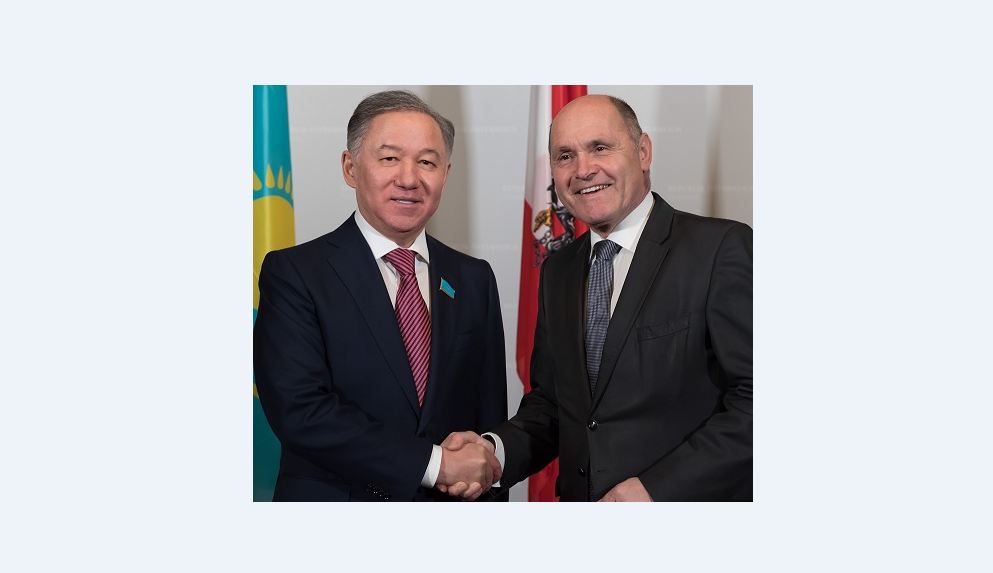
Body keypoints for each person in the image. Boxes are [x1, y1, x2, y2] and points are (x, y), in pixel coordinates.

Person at [442, 94, 752, 501]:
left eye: (600, 148)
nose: (583, 170)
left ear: (643, 151)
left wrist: (655, 491)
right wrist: (493, 452)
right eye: (565, 156)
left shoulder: (720, 249)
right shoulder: (558, 270)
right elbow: (554, 407)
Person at [254, 91, 506, 501]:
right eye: (389, 158)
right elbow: (301, 411)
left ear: (446, 173)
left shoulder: (474, 278)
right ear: (350, 167)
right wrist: (434, 464)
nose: (409, 178)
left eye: (427, 162)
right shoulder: (295, 274)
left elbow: (487, 420)